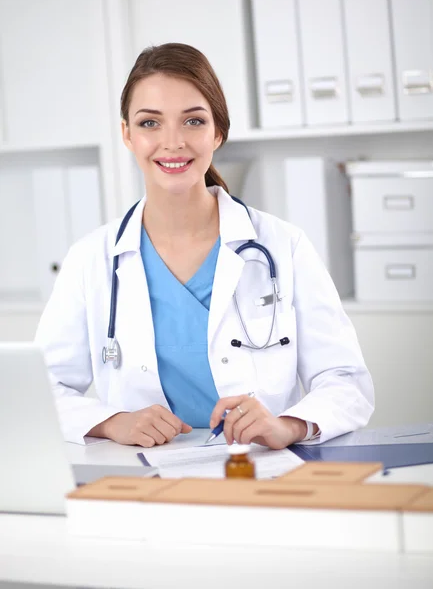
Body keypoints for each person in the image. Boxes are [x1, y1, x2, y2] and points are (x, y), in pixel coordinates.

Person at [35, 43, 374, 449]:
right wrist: (111, 422)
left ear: (218, 132)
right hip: (143, 481)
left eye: (193, 121)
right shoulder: (91, 260)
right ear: (126, 133)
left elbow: (346, 381)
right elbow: (40, 390)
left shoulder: (284, 246)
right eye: (150, 123)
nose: (173, 142)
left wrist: (289, 425)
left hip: (261, 471)